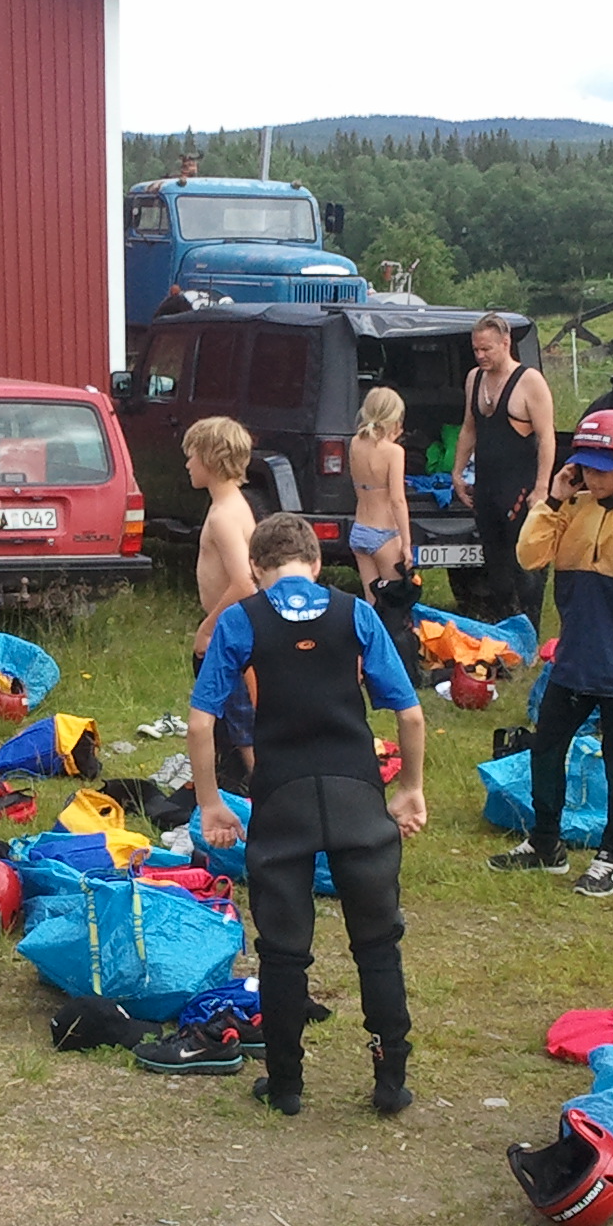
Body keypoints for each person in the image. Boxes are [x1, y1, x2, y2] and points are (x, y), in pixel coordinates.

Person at [189, 513, 428, 1115]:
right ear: (317, 566)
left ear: (254, 569)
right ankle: (390, 1080)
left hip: (282, 799)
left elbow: (200, 721)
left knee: (283, 951)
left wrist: (211, 802)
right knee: (377, 943)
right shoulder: (356, 613)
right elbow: (409, 713)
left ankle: (287, 1085)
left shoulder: (241, 619)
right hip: (356, 795)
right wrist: (411, 789)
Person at [490, 410, 613, 899]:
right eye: (586, 468)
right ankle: (545, 843)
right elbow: (529, 556)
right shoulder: (575, 508)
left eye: (603, 470)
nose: (593, 479)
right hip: (577, 653)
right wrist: (554, 499)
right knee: (546, 746)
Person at [450, 313, 556, 630]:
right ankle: (503, 630)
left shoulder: (529, 381)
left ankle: (530, 633)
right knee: (495, 566)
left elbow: (546, 437)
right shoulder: (475, 378)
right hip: (486, 486)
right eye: (476, 349)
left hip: (520, 487)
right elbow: (469, 428)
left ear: (506, 343)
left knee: (525, 565)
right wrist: (457, 472)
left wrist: (541, 488)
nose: (480, 356)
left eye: (487, 349)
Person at [183, 414, 257, 792]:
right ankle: (234, 778)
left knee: (243, 722)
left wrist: (208, 626)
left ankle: (266, 788)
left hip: (231, 630)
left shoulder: (224, 517)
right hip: (232, 627)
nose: (187, 464)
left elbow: (244, 581)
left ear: (210, 459)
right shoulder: (231, 505)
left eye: (192, 455)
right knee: (231, 715)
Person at [347, 387, 412, 590]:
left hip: (360, 528)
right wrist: (406, 544)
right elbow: (397, 500)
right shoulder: (394, 452)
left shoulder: (355, 443)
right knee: (395, 598)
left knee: (372, 599)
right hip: (385, 532)